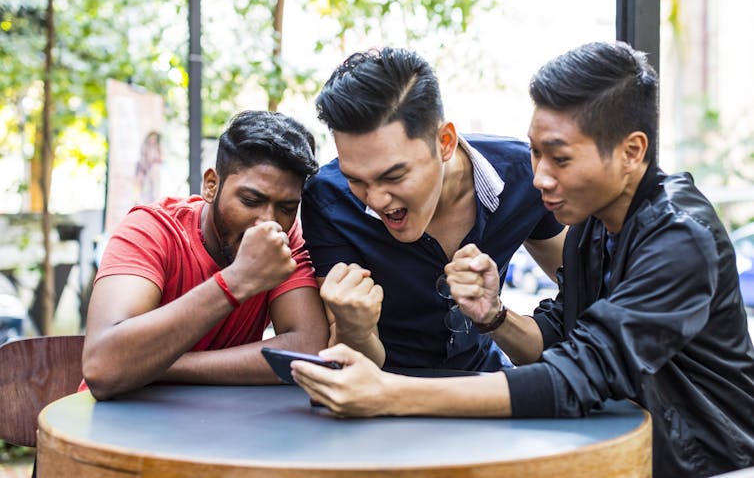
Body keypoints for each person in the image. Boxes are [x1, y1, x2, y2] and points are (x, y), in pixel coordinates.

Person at [292, 42, 754, 478]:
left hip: (712, 464)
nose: (538, 178)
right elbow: (562, 337)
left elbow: (578, 375)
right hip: (630, 451)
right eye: (534, 152)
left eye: (560, 159)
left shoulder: (680, 236)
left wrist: (389, 394)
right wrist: (494, 316)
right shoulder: (592, 226)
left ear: (632, 152)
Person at [301, 47, 566, 373]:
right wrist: (354, 328)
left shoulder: (522, 176)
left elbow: (584, 287)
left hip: (486, 387)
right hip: (384, 398)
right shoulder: (328, 199)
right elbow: (353, 363)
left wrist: (497, 315)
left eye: (394, 176)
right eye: (355, 179)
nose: (375, 199)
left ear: (445, 142)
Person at [83, 110, 329, 400]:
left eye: (287, 208)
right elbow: (103, 367)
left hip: (220, 426)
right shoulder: (151, 230)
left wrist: (157, 365)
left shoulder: (285, 240)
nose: (268, 222)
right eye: (251, 201)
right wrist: (236, 281)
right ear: (211, 185)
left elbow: (308, 348)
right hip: (116, 426)